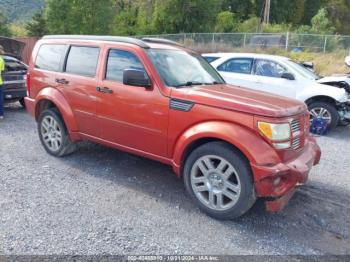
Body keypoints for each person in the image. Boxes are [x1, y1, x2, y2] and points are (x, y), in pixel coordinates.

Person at [0, 45, 4, 119]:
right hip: (0, 82)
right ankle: (1, 115)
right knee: (0, 99)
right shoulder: (1, 60)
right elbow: (2, 71)